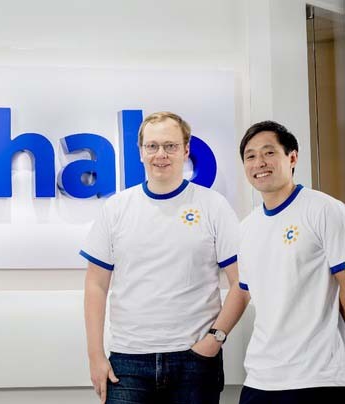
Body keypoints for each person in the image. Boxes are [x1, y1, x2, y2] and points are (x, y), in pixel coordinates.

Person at [82, 111, 250, 403]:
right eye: (152, 146)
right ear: (141, 152)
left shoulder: (213, 206)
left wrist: (215, 339)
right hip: (128, 361)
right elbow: (96, 285)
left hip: (195, 360)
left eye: (170, 146)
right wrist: (95, 356)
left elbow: (242, 282)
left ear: (186, 150)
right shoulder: (116, 208)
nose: (161, 154)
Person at [237, 121, 345, 403]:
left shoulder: (325, 210)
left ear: (292, 157)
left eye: (269, 152)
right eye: (250, 156)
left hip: (316, 377)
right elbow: (246, 292)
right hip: (260, 377)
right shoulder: (247, 227)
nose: (259, 163)